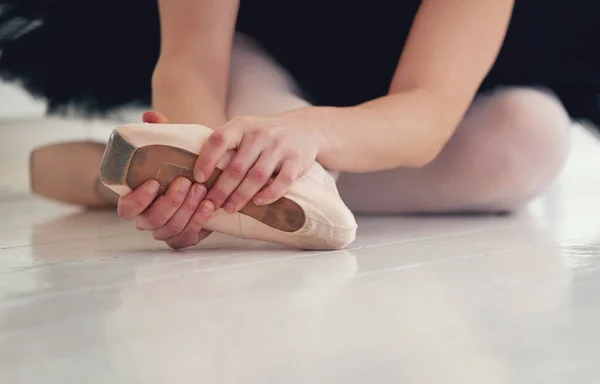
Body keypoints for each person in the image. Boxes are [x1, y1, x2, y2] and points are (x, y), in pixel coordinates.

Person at [1, 0, 599, 249]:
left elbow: (429, 106)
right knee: (245, 110)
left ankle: (272, 179)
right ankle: (258, 179)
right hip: (265, 64)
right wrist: (199, 175)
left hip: (396, 92)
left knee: (528, 139)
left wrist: (313, 132)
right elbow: (192, 64)